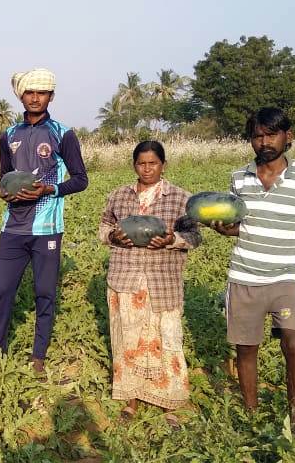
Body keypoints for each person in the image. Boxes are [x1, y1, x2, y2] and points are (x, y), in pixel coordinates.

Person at [210, 107, 295, 425]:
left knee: (294, 342)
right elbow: (238, 225)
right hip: (244, 276)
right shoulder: (239, 178)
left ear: (288, 136)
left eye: (271, 134)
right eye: (257, 136)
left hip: (285, 278)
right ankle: (251, 414)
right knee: (246, 348)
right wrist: (224, 229)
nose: (264, 142)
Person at [98, 140, 202, 427]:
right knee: (128, 338)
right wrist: (112, 237)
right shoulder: (119, 196)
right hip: (126, 278)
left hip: (162, 281)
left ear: (163, 165)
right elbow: (104, 227)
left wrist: (172, 240)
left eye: (153, 163)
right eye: (141, 164)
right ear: (134, 165)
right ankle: (131, 400)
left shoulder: (181, 198)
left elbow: (194, 237)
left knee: (167, 338)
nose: (147, 169)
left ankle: (169, 403)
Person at [0, 68, 88, 373]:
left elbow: (81, 179)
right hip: (12, 227)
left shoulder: (62, 133)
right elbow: (5, 177)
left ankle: (39, 355)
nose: (35, 98)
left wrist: (50, 189)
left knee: (44, 293)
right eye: (30, 93)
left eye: (42, 93)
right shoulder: (9, 135)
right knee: (2, 291)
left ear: (51, 96)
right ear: (21, 96)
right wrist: (2, 191)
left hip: (47, 228)